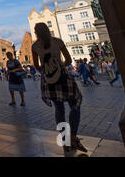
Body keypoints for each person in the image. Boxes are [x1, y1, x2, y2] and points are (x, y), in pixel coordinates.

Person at [32, 22, 87, 153]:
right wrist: (59, 66)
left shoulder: (35, 46)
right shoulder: (58, 41)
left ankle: (65, 140)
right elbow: (68, 60)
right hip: (63, 77)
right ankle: (73, 136)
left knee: (59, 109)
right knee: (75, 105)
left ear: (36, 33)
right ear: (47, 30)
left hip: (49, 80)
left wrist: (47, 70)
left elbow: (37, 66)